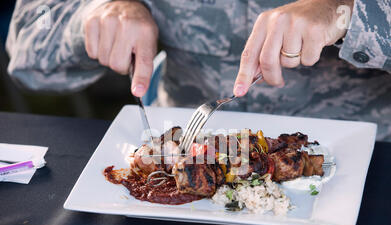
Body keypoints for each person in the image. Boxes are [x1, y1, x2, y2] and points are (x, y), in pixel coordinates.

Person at [6, 0, 391, 141]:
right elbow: (25, 43)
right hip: (181, 156)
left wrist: (349, 13)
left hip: (367, 159)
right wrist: (90, 14)